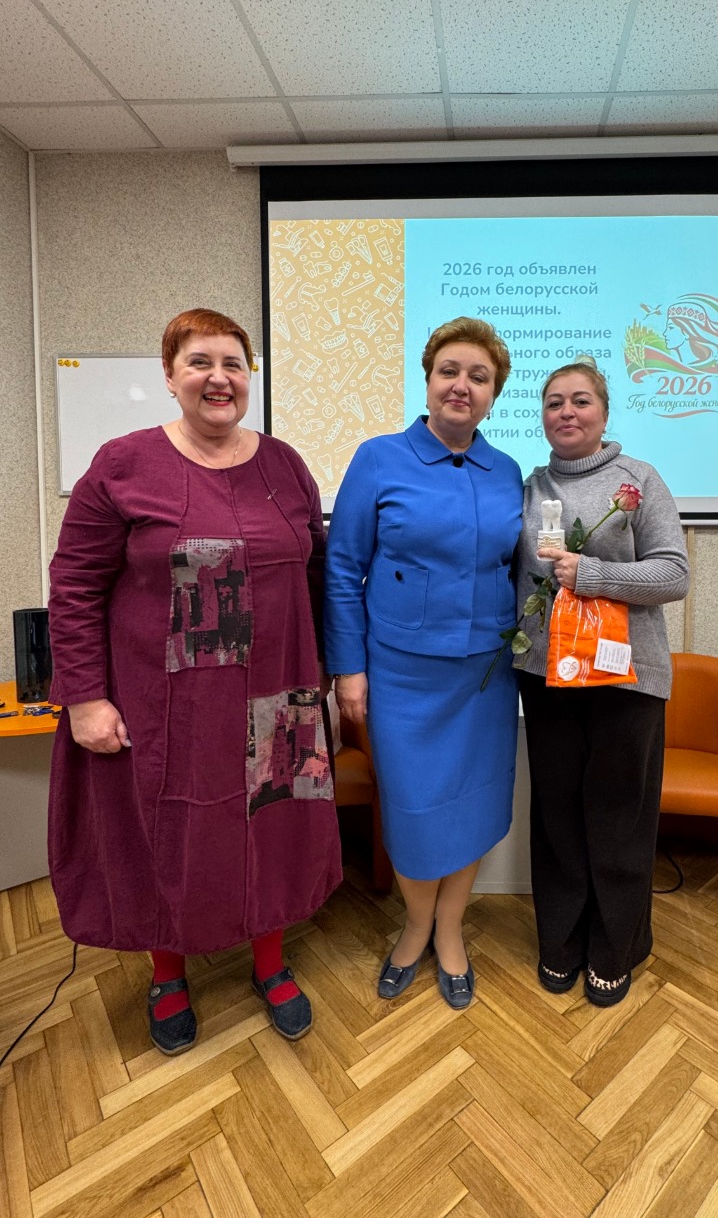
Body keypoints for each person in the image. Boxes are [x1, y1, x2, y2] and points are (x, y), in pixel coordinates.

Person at [47, 308, 342, 1055]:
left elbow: (316, 572)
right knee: (168, 830)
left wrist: (327, 675)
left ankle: (270, 962)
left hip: (278, 691)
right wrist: (83, 697)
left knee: (274, 822)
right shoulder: (124, 463)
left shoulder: (284, 465)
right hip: (169, 698)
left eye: (233, 363)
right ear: (170, 375)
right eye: (200, 362)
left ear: (249, 377)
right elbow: (74, 585)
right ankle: (168, 973)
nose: (219, 377)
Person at [324, 316, 522, 1009]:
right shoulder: (379, 459)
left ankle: (450, 929)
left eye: (479, 377)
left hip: (485, 676)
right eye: (450, 371)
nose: (462, 386)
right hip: (402, 676)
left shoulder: (507, 472)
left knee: (473, 803)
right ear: (429, 379)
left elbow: (520, 566)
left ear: (494, 394)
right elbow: (343, 569)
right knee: (412, 809)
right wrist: (349, 669)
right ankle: (414, 926)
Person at [514, 356, 689, 1006]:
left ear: (604, 412)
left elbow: (673, 575)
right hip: (548, 677)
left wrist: (591, 574)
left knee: (617, 819)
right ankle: (560, 943)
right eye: (554, 401)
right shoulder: (529, 487)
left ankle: (614, 949)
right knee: (557, 817)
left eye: (580, 400)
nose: (567, 411)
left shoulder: (639, 479)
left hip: (626, 680)